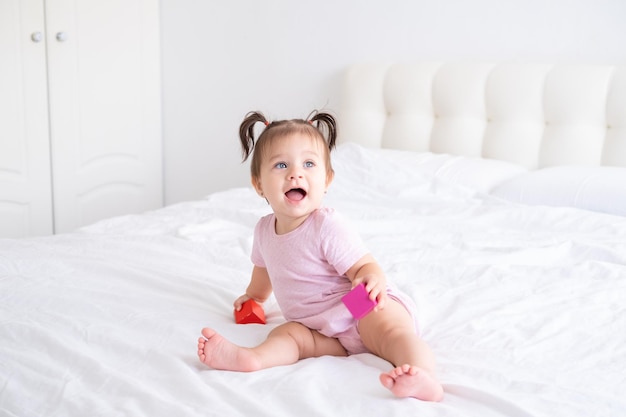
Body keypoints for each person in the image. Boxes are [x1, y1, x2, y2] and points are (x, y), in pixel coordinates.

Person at [197, 111, 444, 401]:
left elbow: (362, 264)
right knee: (288, 336)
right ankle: (252, 359)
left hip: (356, 303)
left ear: (326, 179)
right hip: (315, 324)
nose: (295, 173)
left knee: (390, 333)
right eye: (280, 165)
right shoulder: (264, 230)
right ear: (258, 184)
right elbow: (262, 270)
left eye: (309, 164)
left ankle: (423, 375)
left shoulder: (325, 224)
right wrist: (255, 297)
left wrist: (370, 278)